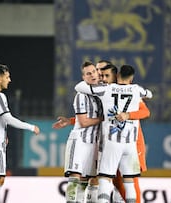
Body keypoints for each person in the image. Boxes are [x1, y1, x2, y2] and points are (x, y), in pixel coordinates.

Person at [75, 65, 153, 203]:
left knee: (105, 178)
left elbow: (79, 87)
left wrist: (90, 80)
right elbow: (149, 94)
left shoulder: (107, 89)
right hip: (130, 145)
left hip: (112, 142)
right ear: (132, 78)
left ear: (117, 76)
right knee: (130, 181)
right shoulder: (136, 89)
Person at [0, 63, 40, 203]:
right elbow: (8, 118)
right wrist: (31, 127)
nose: (9, 80)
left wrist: (2, 133)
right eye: (7, 77)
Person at [62, 61, 103, 203]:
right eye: (88, 73)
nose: (92, 75)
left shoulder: (102, 94)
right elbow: (84, 122)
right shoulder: (81, 95)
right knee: (75, 176)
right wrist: (103, 119)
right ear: (84, 77)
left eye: (93, 72)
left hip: (94, 142)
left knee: (90, 179)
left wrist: (70, 120)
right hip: (80, 140)